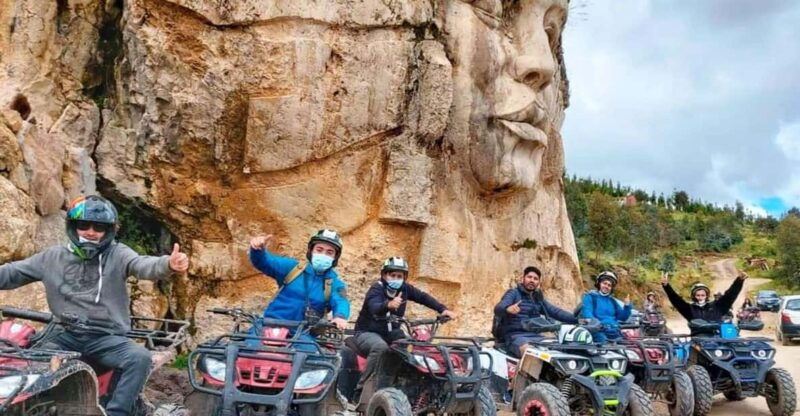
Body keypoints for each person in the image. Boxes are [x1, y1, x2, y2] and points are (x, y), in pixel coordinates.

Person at [0, 195, 189, 416]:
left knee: (140, 358)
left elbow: (142, 265)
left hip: (106, 337)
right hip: (63, 334)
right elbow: (12, 273)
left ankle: (118, 412)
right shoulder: (51, 257)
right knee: (23, 364)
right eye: (83, 225)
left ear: (108, 230)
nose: (90, 231)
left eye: (99, 227)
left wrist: (167, 264)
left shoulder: (118, 254)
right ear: (73, 226)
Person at [352, 256, 457, 394]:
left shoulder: (405, 289)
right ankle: (361, 388)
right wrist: (387, 305)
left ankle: (399, 382)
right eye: (392, 275)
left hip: (391, 332)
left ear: (404, 277)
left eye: (399, 276)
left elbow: (423, 297)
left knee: (408, 344)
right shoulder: (376, 289)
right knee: (380, 347)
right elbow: (373, 306)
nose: (396, 279)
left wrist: (443, 309)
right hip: (366, 332)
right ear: (384, 275)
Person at [249, 229, 350, 350]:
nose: (323, 255)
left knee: (313, 360)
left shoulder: (335, 283)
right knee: (241, 350)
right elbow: (265, 263)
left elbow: (341, 301)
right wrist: (257, 250)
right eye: (319, 250)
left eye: (329, 252)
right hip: (268, 324)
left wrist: (340, 316)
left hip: (303, 333)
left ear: (335, 257)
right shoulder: (292, 268)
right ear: (311, 251)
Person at [494, 266, 578, 357]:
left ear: (538, 282)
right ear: (523, 279)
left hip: (536, 337)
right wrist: (507, 309)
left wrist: (577, 319)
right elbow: (498, 308)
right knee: (531, 354)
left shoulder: (537, 299)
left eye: (535, 279)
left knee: (563, 350)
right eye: (529, 277)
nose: (532, 280)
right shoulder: (513, 293)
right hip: (515, 336)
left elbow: (556, 312)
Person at [660, 271, 747, 335]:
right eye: (698, 295)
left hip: (717, 339)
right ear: (694, 296)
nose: (700, 297)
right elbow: (676, 300)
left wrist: (739, 281)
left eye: (703, 295)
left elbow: (730, 296)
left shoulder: (717, 307)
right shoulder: (689, 309)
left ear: (707, 295)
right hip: (697, 341)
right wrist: (666, 286)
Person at [580, 271, 632, 343]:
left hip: (613, 331)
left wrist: (627, 306)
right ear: (599, 283)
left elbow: (623, 318)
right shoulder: (590, 297)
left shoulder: (612, 301)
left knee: (629, 346)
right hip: (598, 331)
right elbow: (587, 312)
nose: (606, 286)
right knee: (604, 345)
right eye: (604, 283)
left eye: (609, 285)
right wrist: (596, 324)